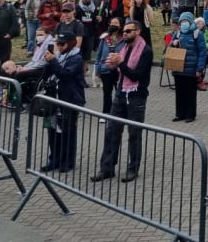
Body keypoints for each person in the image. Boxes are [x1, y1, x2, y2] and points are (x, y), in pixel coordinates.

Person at [90, 20, 153, 183]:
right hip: (120, 93)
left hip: (136, 95)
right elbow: (119, 70)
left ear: (137, 31)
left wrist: (120, 64)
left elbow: (136, 75)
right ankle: (107, 167)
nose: (124, 34)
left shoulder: (145, 51)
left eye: (128, 31)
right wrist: (111, 65)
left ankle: (133, 168)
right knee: (111, 130)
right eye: (123, 31)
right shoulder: (123, 48)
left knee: (134, 133)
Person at [39, 31, 86, 173]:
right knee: (52, 131)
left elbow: (65, 75)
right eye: (57, 44)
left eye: (62, 44)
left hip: (69, 99)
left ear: (71, 43)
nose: (59, 47)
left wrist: (53, 61)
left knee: (67, 131)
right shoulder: (58, 56)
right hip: (54, 99)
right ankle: (54, 159)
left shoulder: (76, 58)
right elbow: (46, 75)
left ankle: (67, 161)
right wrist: (48, 63)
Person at [170, 12, 207, 123]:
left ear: (191, 22)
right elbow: (169, 46)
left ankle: (190, 114)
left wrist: (199, 68)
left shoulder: (197, 34)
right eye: (182, 22)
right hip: (178, 68)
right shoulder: (177, 33)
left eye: (186, 21)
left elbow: (202, 51)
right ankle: (180, 114)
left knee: (190, 93)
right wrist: (173, 43)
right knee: (179, 92)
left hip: (191, 69)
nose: (184, 24)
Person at [95, 19, 124, 117]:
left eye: (116, 23)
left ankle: (119, 113)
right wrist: (98, 69)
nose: (113, 25)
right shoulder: (104, 38)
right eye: (111, 23)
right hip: (105, 69)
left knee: (119, 92)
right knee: (107, 93)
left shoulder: (124, 39)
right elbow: (98, 55)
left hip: (120, 69)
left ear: (120, 25)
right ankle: (106, 113)